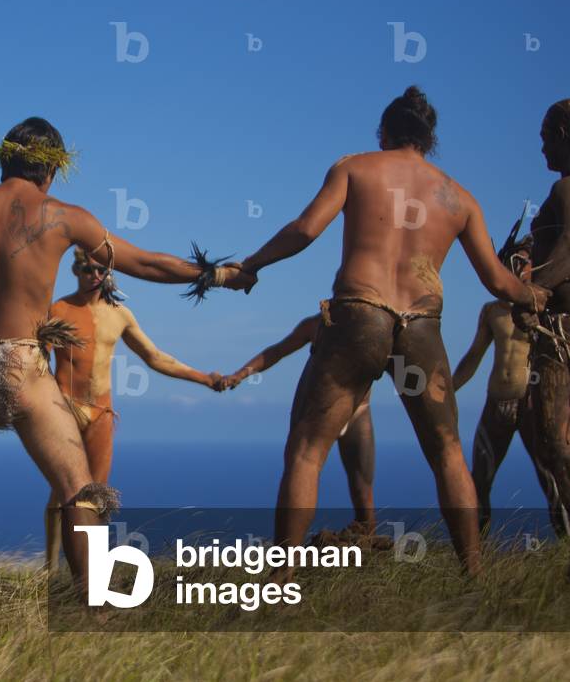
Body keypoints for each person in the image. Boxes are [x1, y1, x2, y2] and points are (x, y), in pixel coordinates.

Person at [0, 117, 255, 617]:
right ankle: (95, 607)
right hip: (23, 363)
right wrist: (219, 275)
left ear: (4, 159)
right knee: (78, 490)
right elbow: (147, 263)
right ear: (53, 169)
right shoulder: (64, 217)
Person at [235, 87, 547, 577]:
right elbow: (495, 280)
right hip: (421, 327)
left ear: (384, 132)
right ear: (430, 139)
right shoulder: (460, 198)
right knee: (447, 453)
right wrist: (532, 297)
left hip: (360, 317)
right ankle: (474, 574)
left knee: (307, 451)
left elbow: (305, 230)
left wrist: (251, 264)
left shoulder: (355, 168)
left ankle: (282, 576)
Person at [43, 249, 225, 569]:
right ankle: (51, 567)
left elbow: (155, 357)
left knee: (95, 496)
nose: (94, 275)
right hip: (65, 408)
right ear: (76, 271)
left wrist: (204, 378)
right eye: (87, 269)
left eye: (100, 270)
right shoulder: (59, 309)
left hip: (101, 412)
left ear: (109, 273)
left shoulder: (120, 314)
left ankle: (90, 571)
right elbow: (38, 360)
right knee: (62, 493)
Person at [224, 315, 387, 546]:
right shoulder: (319, 324)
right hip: (321, 413)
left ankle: (368, 546)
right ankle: (290, 549)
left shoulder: (377, 323)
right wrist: (240, 375)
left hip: (359, 412)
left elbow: (399, 364)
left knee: (363, 489)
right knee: (304, 467)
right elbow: (277, 352)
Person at [452, 240, 568, 533]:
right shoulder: (492, 311)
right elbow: (473, 356)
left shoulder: (546, 309)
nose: (518, 269)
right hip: (496, 402)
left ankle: (565, 541)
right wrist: (448, 391)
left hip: (532, 403)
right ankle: (476, 547)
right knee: (479, 479)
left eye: (524, 263)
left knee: (551, 477)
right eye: (512, 263)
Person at [516, 99, 570, 542]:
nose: (541, 149)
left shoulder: (565, 189)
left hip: (561, 330)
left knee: (551, 439)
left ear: (564, 135)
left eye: (545, 138)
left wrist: (533, 293)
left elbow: (568, 248)